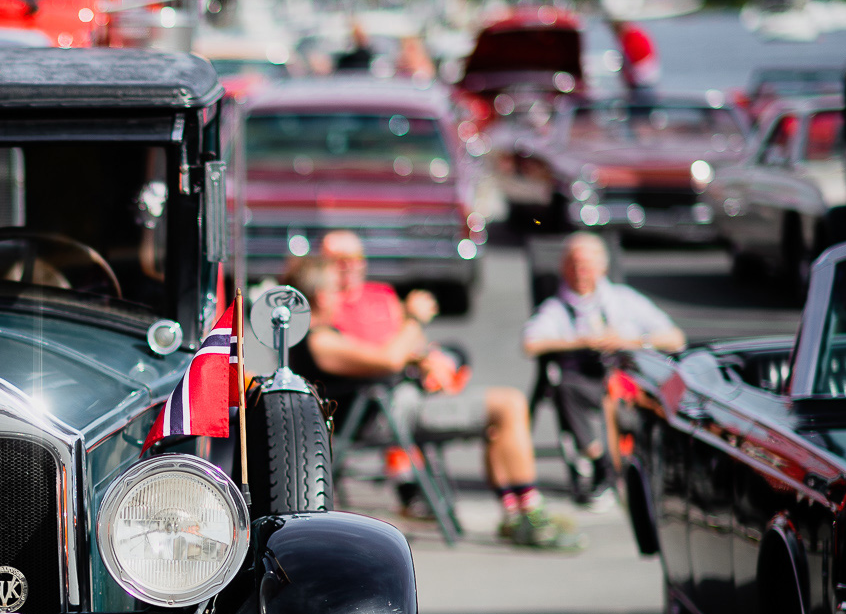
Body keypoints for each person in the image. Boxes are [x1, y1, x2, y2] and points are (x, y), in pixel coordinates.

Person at [289, 230, 584, 550]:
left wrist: (426, 357)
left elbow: (393, 355)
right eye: (333, 288)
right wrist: (413, 318)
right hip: (383, 416)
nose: (340, 293)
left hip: (397, 404)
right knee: (509, 404)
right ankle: (530, 512)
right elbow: (388, 358)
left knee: (500, 414)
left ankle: (518, 512)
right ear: (320, 295)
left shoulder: (330, 330)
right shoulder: (320, 340)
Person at [523, 232, 686, 498]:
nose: (579, 272)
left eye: (585, 265)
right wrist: (580, 341)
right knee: (568, 387)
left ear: (602, 268)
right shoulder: (557, 307)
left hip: (630, 379)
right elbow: (530, 343)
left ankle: (648, 468)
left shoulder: (623, 299)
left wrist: (629, 340)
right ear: (563, 268)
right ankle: (604, 465)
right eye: (573, 265)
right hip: (585, 382)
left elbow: (675, 338)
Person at [610, 19, 660, 99]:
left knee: (641, 108)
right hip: (640, 84)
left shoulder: (633, 36)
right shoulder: (631, 36)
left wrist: (627, 75)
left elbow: (636, 60)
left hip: (642, 85)